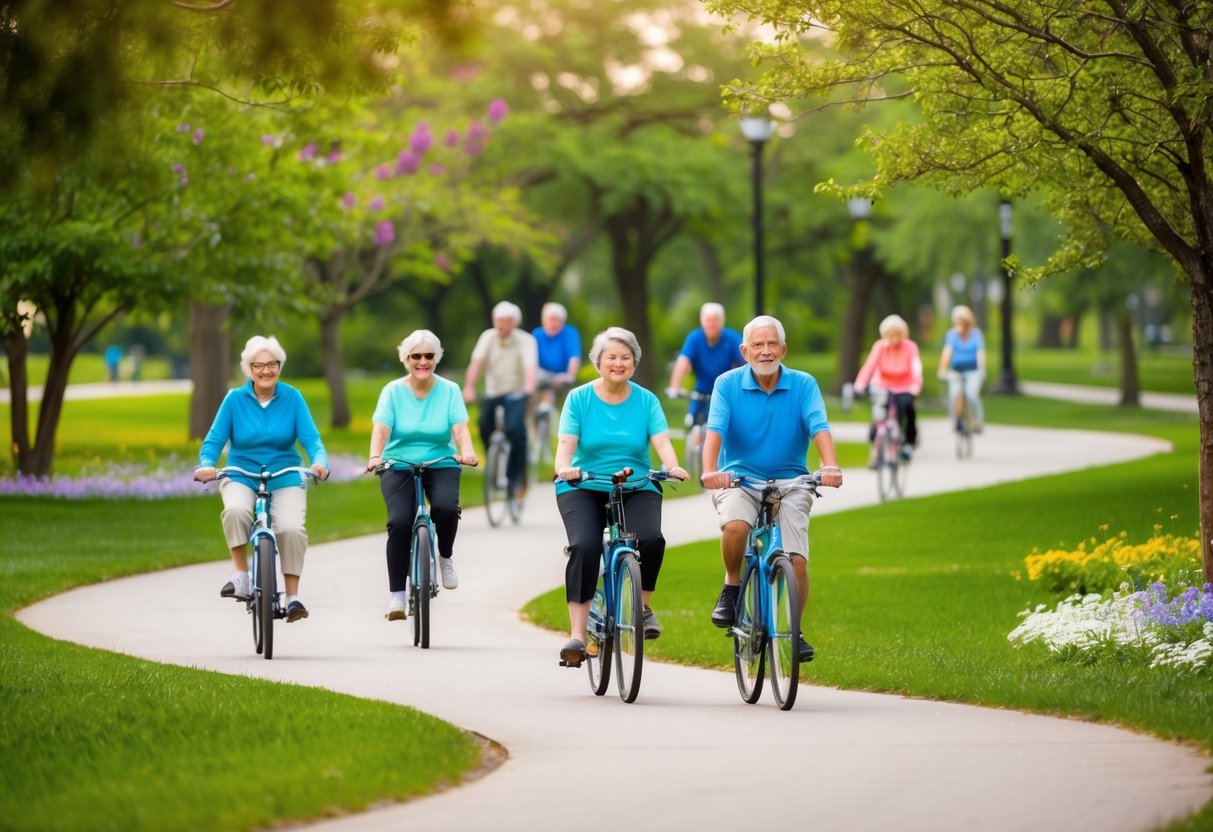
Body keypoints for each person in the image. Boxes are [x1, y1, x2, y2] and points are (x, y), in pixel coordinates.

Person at [700, 315, 843, 663]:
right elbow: (714, 431)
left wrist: (830, 466)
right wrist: (709, 471)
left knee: (795, 563)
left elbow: (818, 425)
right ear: (745, 351)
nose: (766, 352)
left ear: (783, 349)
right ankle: (732, 586)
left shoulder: (803, 384)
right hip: (739, 480)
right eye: (758, 345)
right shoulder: (727, 384)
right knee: (736, 525)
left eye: (772, 344)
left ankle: (795, 632)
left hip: (792, 482)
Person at [553, 327, 689, 665]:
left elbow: (661, 441)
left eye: (625, 358)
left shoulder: (646, 400)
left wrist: (672, 466)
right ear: (598, 362)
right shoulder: (579, 398)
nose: (618, 363)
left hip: (634, 484)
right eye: (611, 357)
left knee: (651, 539)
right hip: (583, 484)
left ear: (634, 363)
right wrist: (564, 467)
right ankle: (577, 635)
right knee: (584, 546)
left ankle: (643, 608)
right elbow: (566, 446)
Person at [194, 335, 329, 623]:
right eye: (259, 365)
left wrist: (319, 461)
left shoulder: (292, 397)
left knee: (291, 528)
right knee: (236, 511)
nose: (266, 370)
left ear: (280, 366)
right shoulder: (234, 399)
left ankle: (293, 597)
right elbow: (213, 441)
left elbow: (311, 438)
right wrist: (207, 465)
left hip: (284, 475)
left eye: (272, 364)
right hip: (242, 474)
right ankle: (241, 575)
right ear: (249, 368)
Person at [368, 330, 478, 620]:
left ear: (436, 358)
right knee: (400, 523)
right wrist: (375, 456)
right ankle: (397, 597)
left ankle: (444, 556)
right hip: (398, 462)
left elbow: (460, 429)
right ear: (406, 359)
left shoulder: (450, 389)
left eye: (429, 356)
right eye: (416, 356)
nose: (422, 361)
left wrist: (467, 451)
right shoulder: (392, 391)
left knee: (444, 508)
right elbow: (381, 430)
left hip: (440, 461)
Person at [462, 301, 537, 499]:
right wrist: (469, 387)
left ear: (514, 322)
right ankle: (493, 462)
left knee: (516, 430)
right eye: (498, 321)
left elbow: (530, 367)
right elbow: (476, 363)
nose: (501, 325)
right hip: (493, 392)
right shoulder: (488, 337)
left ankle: (514, 477)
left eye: (506, 321)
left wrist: (528, 388)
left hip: (517, 392)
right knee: (484, 424)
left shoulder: (526, 340)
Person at [854, 314, 923, 463]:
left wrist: (915, 386)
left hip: (905, 386)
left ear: (902, 334)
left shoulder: (910, 347)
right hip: (883, 385)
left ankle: (908, 444)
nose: (892, 338)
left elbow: (916, 368)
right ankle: (875, 450)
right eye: (888, 335)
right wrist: (859, 386)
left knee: (906, 408)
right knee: (878, 415)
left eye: (896, 335)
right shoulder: (880, 346)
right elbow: (869, 367)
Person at [665, 302, 744, 426]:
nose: (711, 324)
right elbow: (683, 362)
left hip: (724, 392)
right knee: (691, 423)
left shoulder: (731, 338)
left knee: (731, 424)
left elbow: (746, 358)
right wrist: (675, 387)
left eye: (715, 320)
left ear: (721, 322)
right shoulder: (695, 338)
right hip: (700, 392)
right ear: (703, 322)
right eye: (708, 320)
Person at [937, 304, 986, 433]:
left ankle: (977, 420)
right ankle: (956, 420)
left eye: (963, 321)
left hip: (973, 370)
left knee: (971, 395)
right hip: (956, 370)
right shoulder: (952, 335)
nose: (960, 324)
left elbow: (980, 353)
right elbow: (947, 353)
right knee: (954, 395)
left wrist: (981, 369)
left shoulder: (976, 334)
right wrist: (943, 369)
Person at [532, 301, 582, 394]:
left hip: (561, 375)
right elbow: (530, 360)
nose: (554, 323)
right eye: (551, 319)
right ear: (544, 320)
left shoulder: (569, 333)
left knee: (556, 386)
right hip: (541, 375)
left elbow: (574, 358)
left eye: (557, 320)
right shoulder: (537, 334)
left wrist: (570, 376)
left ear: (563, 322)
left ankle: (546, 406)